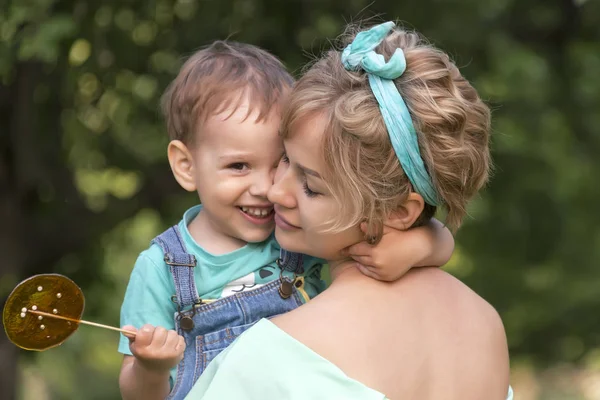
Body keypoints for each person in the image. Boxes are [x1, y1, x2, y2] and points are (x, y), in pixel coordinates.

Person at [185, 21, 513, 399]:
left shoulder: (273, 359)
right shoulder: (485, 325)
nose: (275, 191)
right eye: (285, 159)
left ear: (400, 212)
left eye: (311, 187)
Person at [118, 39, 456, 400]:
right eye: (239, 166)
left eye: (281, 161)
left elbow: (436, 239)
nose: (268, 188)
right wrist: (150, 368)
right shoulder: (162, 268)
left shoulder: (294, 233)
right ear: (187, 166)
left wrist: (417, 245)